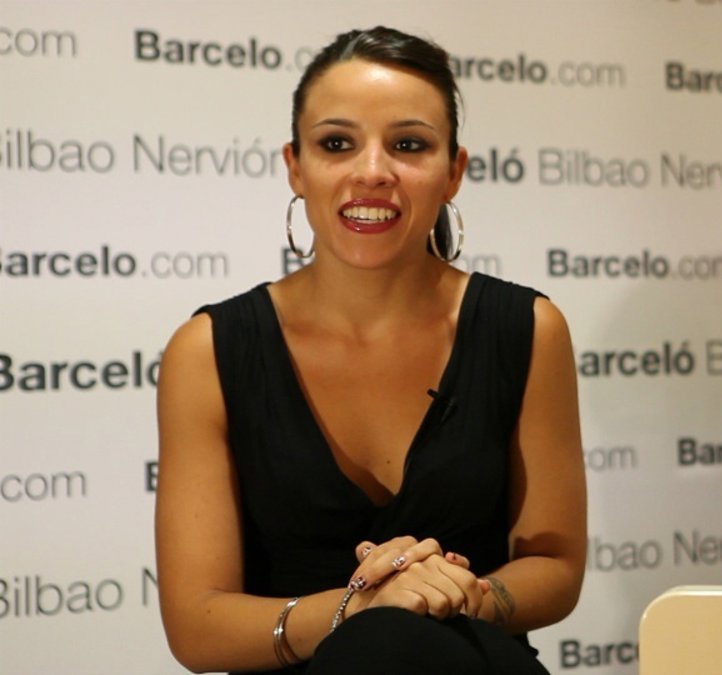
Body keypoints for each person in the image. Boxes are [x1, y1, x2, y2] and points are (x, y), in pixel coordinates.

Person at [154, 26, 586, 673]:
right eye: (337, 144)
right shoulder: (208, 351)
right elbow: (197, 626)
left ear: (454, 171)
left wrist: (461, 595)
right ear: (295, 166)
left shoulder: (528, 327)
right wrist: (360, 609)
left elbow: (554, 564)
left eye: (408, 144)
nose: (373, 172)